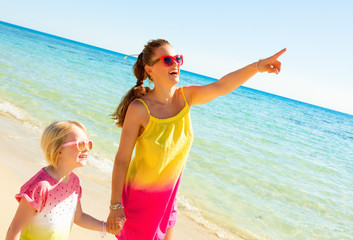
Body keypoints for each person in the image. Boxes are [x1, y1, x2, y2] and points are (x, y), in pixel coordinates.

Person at [107, 39, 286, 240]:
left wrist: (258, 66)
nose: (175, 63)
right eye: (167, 60)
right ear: (149, 69)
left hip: (168, 202)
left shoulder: (187, 97)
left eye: (177, 59)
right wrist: (115, 206)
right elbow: (122, 159)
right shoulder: (139, 109)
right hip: (140, 203)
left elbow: (222, 86)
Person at [6, 121, 110, 240]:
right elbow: (14, 230)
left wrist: (106, 227)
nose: (86, 149)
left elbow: (79, 217)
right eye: (81, 144)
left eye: (88, 144)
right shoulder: (40, 186)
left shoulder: (74, 183)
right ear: (59, 149)